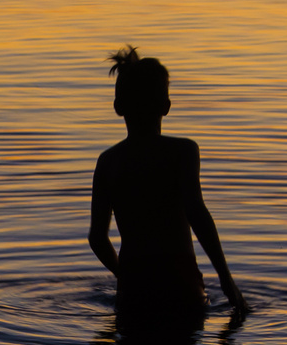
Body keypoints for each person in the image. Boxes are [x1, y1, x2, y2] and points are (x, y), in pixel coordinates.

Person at [88, 46, 249, 322]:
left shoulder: (108, 162)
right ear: (166, 106)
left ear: (117, 107)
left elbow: (98, 238)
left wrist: (124, 275)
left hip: (134, 290)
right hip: (181, 284)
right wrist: (226, 279)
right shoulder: (183, 152)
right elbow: (197, 214)